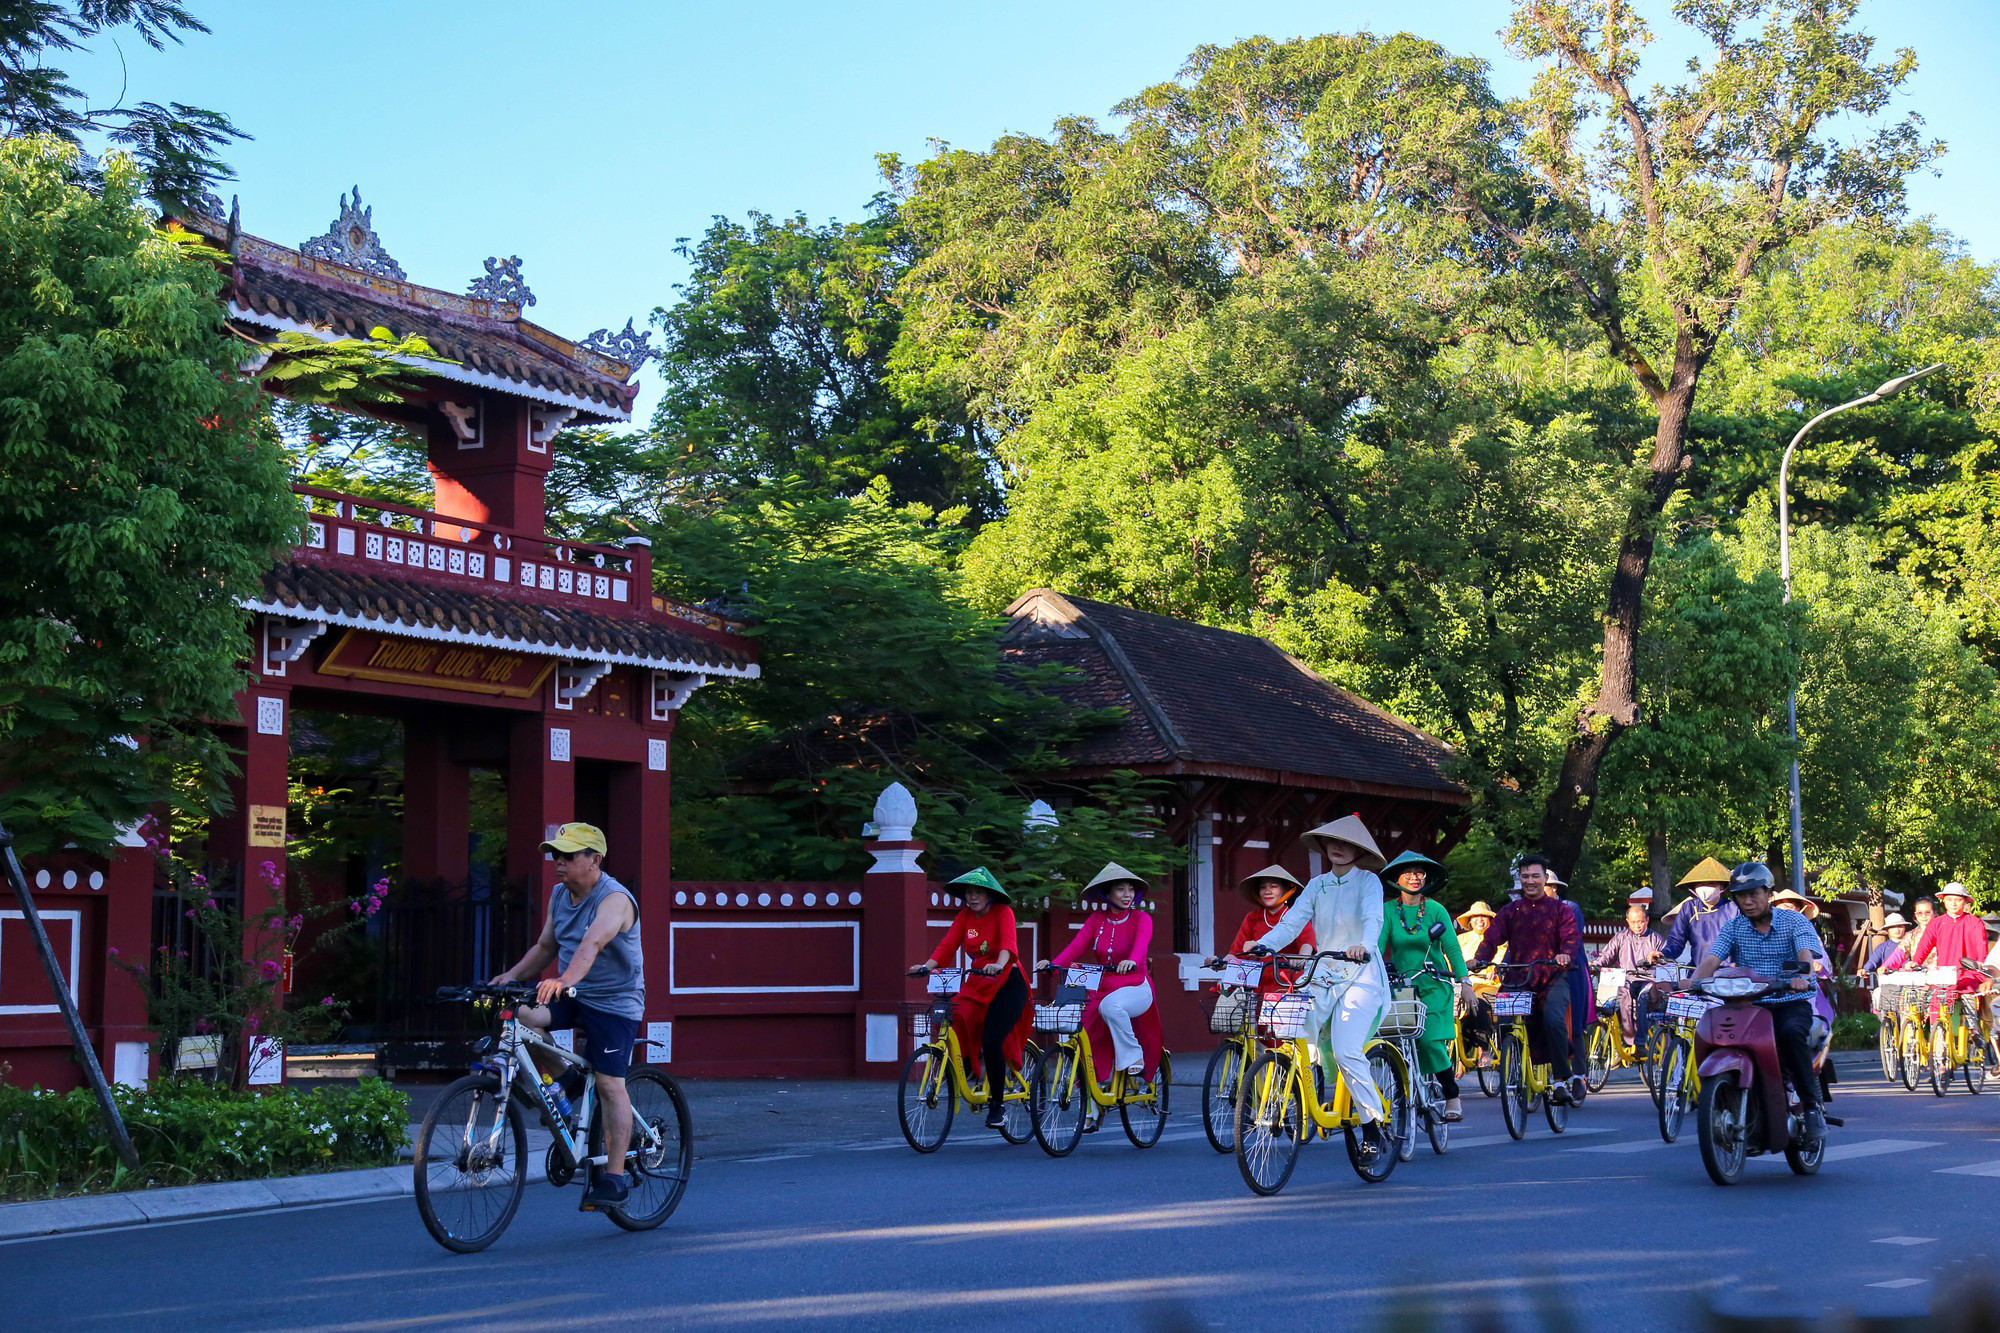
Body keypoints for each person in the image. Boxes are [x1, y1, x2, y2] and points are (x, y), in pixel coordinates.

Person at [491, 822, 644, 1212]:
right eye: (556, 855)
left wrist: (563, 980)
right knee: (520, 1017)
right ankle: (567, 1080)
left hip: (614, 1002)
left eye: (569, 856)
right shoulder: (561, 894)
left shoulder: (615, 899)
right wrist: (510, 975)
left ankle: (614, 1177)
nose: (558, 863)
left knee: (611, 1085)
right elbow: (546, 945)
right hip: (575, 992)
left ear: (595, 859)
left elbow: (593, 943)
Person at [1241, 814, 1392, 1157]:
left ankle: (1372, 1125)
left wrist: (1366, 946)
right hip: (1323, 973)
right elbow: (1292, 922)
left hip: (1361, 974)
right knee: (1291, 1027)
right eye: (1332, 842)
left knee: (1346, 1050)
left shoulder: (1368, 882)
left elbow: (1373, 918)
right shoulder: (1317, 884)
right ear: (1324, 846)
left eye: (1347, 844)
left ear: (1358, 851)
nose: (1337, 848)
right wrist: (1266, 943)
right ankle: (1303, 1095)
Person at [1693, 862, 1827, 1144]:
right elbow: (1711, 960)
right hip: (1750, 1006)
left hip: (1790, 1000)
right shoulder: (1733, 928)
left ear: (1769, 893)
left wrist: (1802, 975)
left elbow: (1805, 953)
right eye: (1741, 896)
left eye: (1754, 894)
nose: (1748, 901)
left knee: (1790, 1033)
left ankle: (1812, 1107)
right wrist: (1691, 983)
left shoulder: (1795, 922)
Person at [908, 867, 1032, 1129]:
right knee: (958, 1015)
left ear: (989, 895)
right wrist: (926, 966)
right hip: (978, 981)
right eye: (969, 892)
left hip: (1008, 981)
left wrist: (998, 964)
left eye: (978, 892)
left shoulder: (1003, 913)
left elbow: (1009, 946)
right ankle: (969, 1066)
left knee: (992, 1038)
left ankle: (997, 1106)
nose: (973, 897)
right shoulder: (965, 916)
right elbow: (947, 945)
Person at [1472, 852, 1584, 1103]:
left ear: (1545, 878)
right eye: (1525, 876)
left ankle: (1561, 1079)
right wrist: (1479, 959)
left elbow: (1570, 938)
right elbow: (1492, 938)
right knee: (1503, 1018)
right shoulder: (1510, 911)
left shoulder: (1560, 910)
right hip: (1518, 979)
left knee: (1554, 1020)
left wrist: (1565, 955)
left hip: (1552, 978)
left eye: (1535, 876)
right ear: (1519, 879)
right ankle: (1512, 1059)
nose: (1530, 881)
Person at [1044, 863, 1163, 1091]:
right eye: (1120, 889)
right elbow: (1076, 947)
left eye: (1130, 889)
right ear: (1107, 893)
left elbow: (1141, 945)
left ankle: (1133, 1055)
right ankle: (1091, 1101)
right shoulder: (1096, 920)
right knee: (1079, 1025)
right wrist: (1053, 964)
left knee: (1110, 1007)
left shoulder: (1141, 919)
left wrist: (1132, 960)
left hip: (1136, 986)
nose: (1127, 894)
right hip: (1103, 987)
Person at [1377, 850, 1475, 1122]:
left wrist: (1465, 981)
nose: (1414, 877)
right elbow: (1377, 946)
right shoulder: (1387, 911)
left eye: (1419, 872)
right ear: (1397, 878)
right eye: (1408, 872)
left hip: (1433, 984)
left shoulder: (1435, 910)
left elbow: (1453, 949)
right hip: (1403, 988)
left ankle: (1451, 1094)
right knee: (1397, 1042)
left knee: (1429, 1039)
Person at [1904, 882, 1992, 1042]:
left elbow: (1982, 950)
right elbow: (1925, 945)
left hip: (1969, 974)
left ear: (1965, 902)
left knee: (1969, 997)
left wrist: (1985, 973)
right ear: (1943, 901)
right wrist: (1915, 961)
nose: (1953, 903)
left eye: (1958, 900)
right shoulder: (1936, 923)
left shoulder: (1975, 923)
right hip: (1945, 975)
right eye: (1949, 899)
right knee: (1937, 1005)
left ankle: (1973, 1031)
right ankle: (1938, 1043)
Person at [1228, 865, 1315, 988]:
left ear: (1286, 890)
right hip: (1256, 983)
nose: (1267, 891)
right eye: (1263, 887)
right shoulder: (1252, 917)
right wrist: (1220, 961)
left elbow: (1307, 944)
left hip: (1288, 983)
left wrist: (1300, 959)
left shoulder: (1296, 916)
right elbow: (1236, 952)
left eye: (1273, 887)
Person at [1593, 902, 1665, 1051]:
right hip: (1626, 979)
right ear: (1627, 922)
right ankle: (1622, 1043)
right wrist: (1596, 965)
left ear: (1647, 921)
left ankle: (1639, 1043)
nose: (1637, 925)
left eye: (1640, 921)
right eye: (1633, 922)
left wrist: (1658, 961)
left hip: (1648, 981)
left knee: (1644, 997)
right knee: (1619, 997)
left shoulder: (1656, 938)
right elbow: (1607, 956)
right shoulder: (1621, 937)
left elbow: (1666, 962)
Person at [1544, 869, 1592, 1071]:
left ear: (1553, 887)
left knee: (1574, 1024)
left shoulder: (1570, 908)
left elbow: (1572, 938)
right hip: (1542, 971)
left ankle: (1580, 1075)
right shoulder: (1528, 910)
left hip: (1570, 969)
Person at [1654, 857, 1739, 968]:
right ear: (1694, 887)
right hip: (1697, 971)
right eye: (1700, 884)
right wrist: (1663, 954)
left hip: (1728, 974)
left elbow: (1744, 942)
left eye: (1711, 883)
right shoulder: (1688, 908)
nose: (1705, 887)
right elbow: (1676, 941)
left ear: (1722, 886)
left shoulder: (1733, 909)